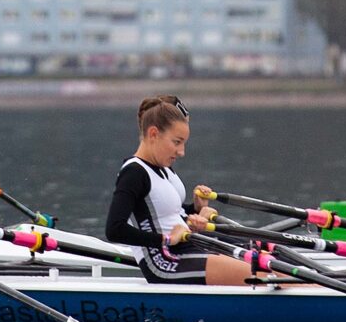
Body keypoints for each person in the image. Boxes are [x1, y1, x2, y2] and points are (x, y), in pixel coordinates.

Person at [103, 95, 245, 285]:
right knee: (260, 272)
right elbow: (114, 230)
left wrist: (195, 209)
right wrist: (166, 239)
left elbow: (168, 212)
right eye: (177, 142)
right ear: (153, 134)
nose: (181, 152)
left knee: (262, 261)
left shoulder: (160, 166)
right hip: (164, 261)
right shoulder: (134, 173)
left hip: (186, 246)